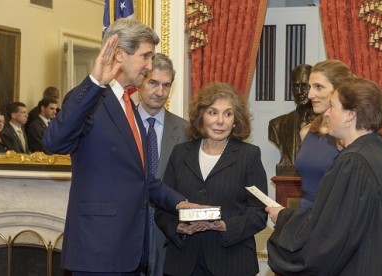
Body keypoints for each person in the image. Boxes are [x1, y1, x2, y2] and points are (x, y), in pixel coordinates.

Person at [43, 18, 199, 275]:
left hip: (129, 252)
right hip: (97, 252)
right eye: (145, 56)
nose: (149, 66)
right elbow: (54, 142)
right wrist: (94, 82)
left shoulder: (131, 108)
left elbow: (143, 180)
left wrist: (180, 204)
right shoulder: (91, 99)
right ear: (120, 54)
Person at [266, 77, 382, 275]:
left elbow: (329, 236)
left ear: (350, 115)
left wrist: (284, 220)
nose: (326, 114)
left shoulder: (352, 162)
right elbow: (338, 218)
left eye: (333, 106)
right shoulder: (379, 152)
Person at [155, 82, 268, 276]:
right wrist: (178, 228)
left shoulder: (249, 155)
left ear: (235, 121)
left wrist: (225, 226)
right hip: (183, 262)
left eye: (228, 114)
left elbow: (259, 213)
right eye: (213, 112)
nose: (220, 121)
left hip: (233, 263)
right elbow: (162, 208)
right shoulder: (180, 153)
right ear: (201, 117)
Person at [137, 53, 190, 276]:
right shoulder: (120, 125)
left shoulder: (187, 132)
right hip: (128, 233)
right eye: (153, 83)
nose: (160, 92)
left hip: (167, 235)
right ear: (140, 81)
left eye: (166, 85)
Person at [295, 60, 353, 208]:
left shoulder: (350, 134)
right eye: (310, 87)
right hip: (304, 217)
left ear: (339, 90)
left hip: (333, 217)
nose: (309, 95)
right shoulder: (306, 132)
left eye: (318, 87)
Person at [268, 64, 316, 175]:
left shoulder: (327, 125)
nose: (299, 91)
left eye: (304, 86)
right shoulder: (276, 125)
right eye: (295, 86)